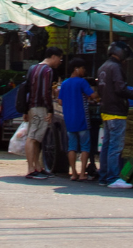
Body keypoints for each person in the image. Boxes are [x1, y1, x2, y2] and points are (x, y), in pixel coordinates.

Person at [96, 44, 132, 188]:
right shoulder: (115, 68)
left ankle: (103, 177)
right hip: (116, 111)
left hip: (106, 111)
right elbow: (120, 88)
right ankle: (113, 178)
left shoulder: (102, 67)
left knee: (107, 146)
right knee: (115, 147)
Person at [20, 47, 58, 180]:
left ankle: (37, 167)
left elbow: (27, 90)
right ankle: (31, 169)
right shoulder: (47, 70)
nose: (59, 61)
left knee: (36, 139)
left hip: (31, 107)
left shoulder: (33, 68)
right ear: (54, 56)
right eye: (59, 58)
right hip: (40, 107)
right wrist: (50, 109)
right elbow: (45, 92)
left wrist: (26, 110)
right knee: (32, 137)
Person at [58, 59, 97, 180]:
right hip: (82, 118)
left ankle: (73, 173)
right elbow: (93, 95)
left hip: (69, 119)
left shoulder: (64, 83)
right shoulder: (82, 82)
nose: (84, 71)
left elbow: (60, 101)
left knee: (72, 147)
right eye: (82, 68)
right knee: (85, 146)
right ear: (76, 69)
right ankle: (81, 174)